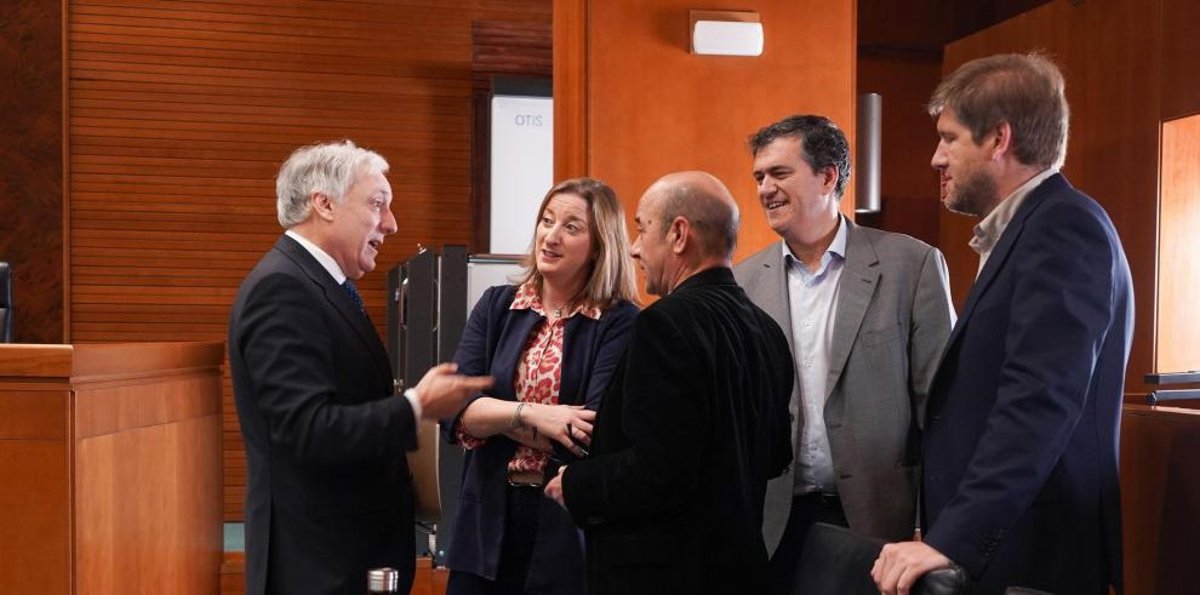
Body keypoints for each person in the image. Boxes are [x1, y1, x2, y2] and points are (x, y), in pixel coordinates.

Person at [872, 53, 1134, 595]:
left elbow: (1039, 402)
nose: (936, 158)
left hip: (1037, 557)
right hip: (1009, 546)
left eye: (949, 138)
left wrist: (955, 539)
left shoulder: (1063, 227)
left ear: (999, 139)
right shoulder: (1030, 228)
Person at [229, 140, 494, 595]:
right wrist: (416, 406)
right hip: (318, 567)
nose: (391, 223)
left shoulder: (320, 285)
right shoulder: (283, 289)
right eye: (377, 204)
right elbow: (307, 430)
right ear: (324, 204)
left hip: (347, 557)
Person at [734, 114, 956, 594]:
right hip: (774, 521)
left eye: (779, 173)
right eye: (759, 177)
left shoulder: (912, 265)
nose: (765, 189)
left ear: (828, 176)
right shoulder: (743, 283)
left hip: (881, 523)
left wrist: (935, 525)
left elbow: (941, 410)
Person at [544, 171, 794, 595]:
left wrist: (574, 483)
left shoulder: (662, 325)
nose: (635, 248)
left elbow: (659, 471)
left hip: (665, 575)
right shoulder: (767, 330)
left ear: (678, 235)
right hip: (741, 571)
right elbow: (775, 456)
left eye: (642, 229)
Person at [441, 178, 640, 595]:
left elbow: (588, 436)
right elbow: (454, 411)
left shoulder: (620, 321)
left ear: (600, 245)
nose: (551, 236)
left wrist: (491, 418)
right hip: (486, 518)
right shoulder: (497, 305)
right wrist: (533, 414)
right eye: (547, 221)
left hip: (566, 522)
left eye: (571, 227)